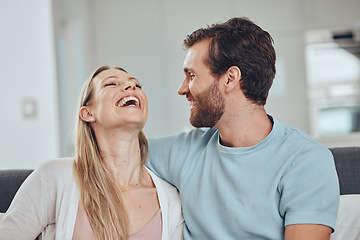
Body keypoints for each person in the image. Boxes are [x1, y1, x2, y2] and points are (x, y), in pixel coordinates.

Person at [147, 17, 339, 240]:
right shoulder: (186, 150)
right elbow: (111, 151)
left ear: (230, 79)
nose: (182, 89)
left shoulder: (306, 161)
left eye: (191, 76)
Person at [0, 66, 184, 240]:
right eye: (111, 83)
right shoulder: (53, 177)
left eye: (137, 85)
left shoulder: (171, 201)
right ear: (87, 114)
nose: (131, 86)